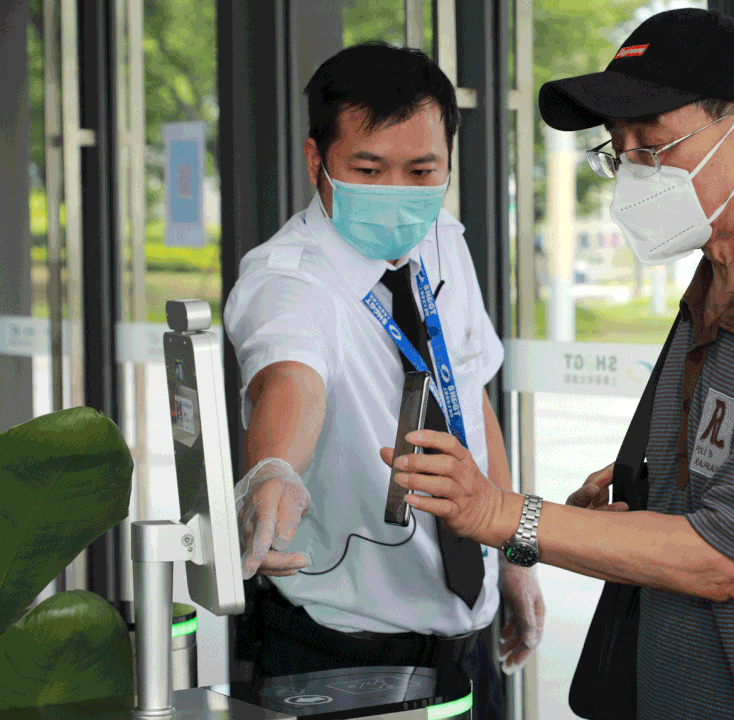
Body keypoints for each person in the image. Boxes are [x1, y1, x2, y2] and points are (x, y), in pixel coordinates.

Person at [380, 9, 734, 720]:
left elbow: (719, 560)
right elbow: (710, 502)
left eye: (653, 148)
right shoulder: (716, 287)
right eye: (619, 154)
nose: (631, 177)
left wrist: (498, 513)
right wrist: (632, 511)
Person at [222, 41, 544, 720]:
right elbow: (291, 380)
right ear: (317, 160)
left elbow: (470, 396)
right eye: (368, 170)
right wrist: (274, 470)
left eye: (423, 170)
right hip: (339, 659)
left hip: (468, 644)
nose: (398, 193)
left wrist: (513, 554)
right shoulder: (286, 277)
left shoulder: (443, 238)